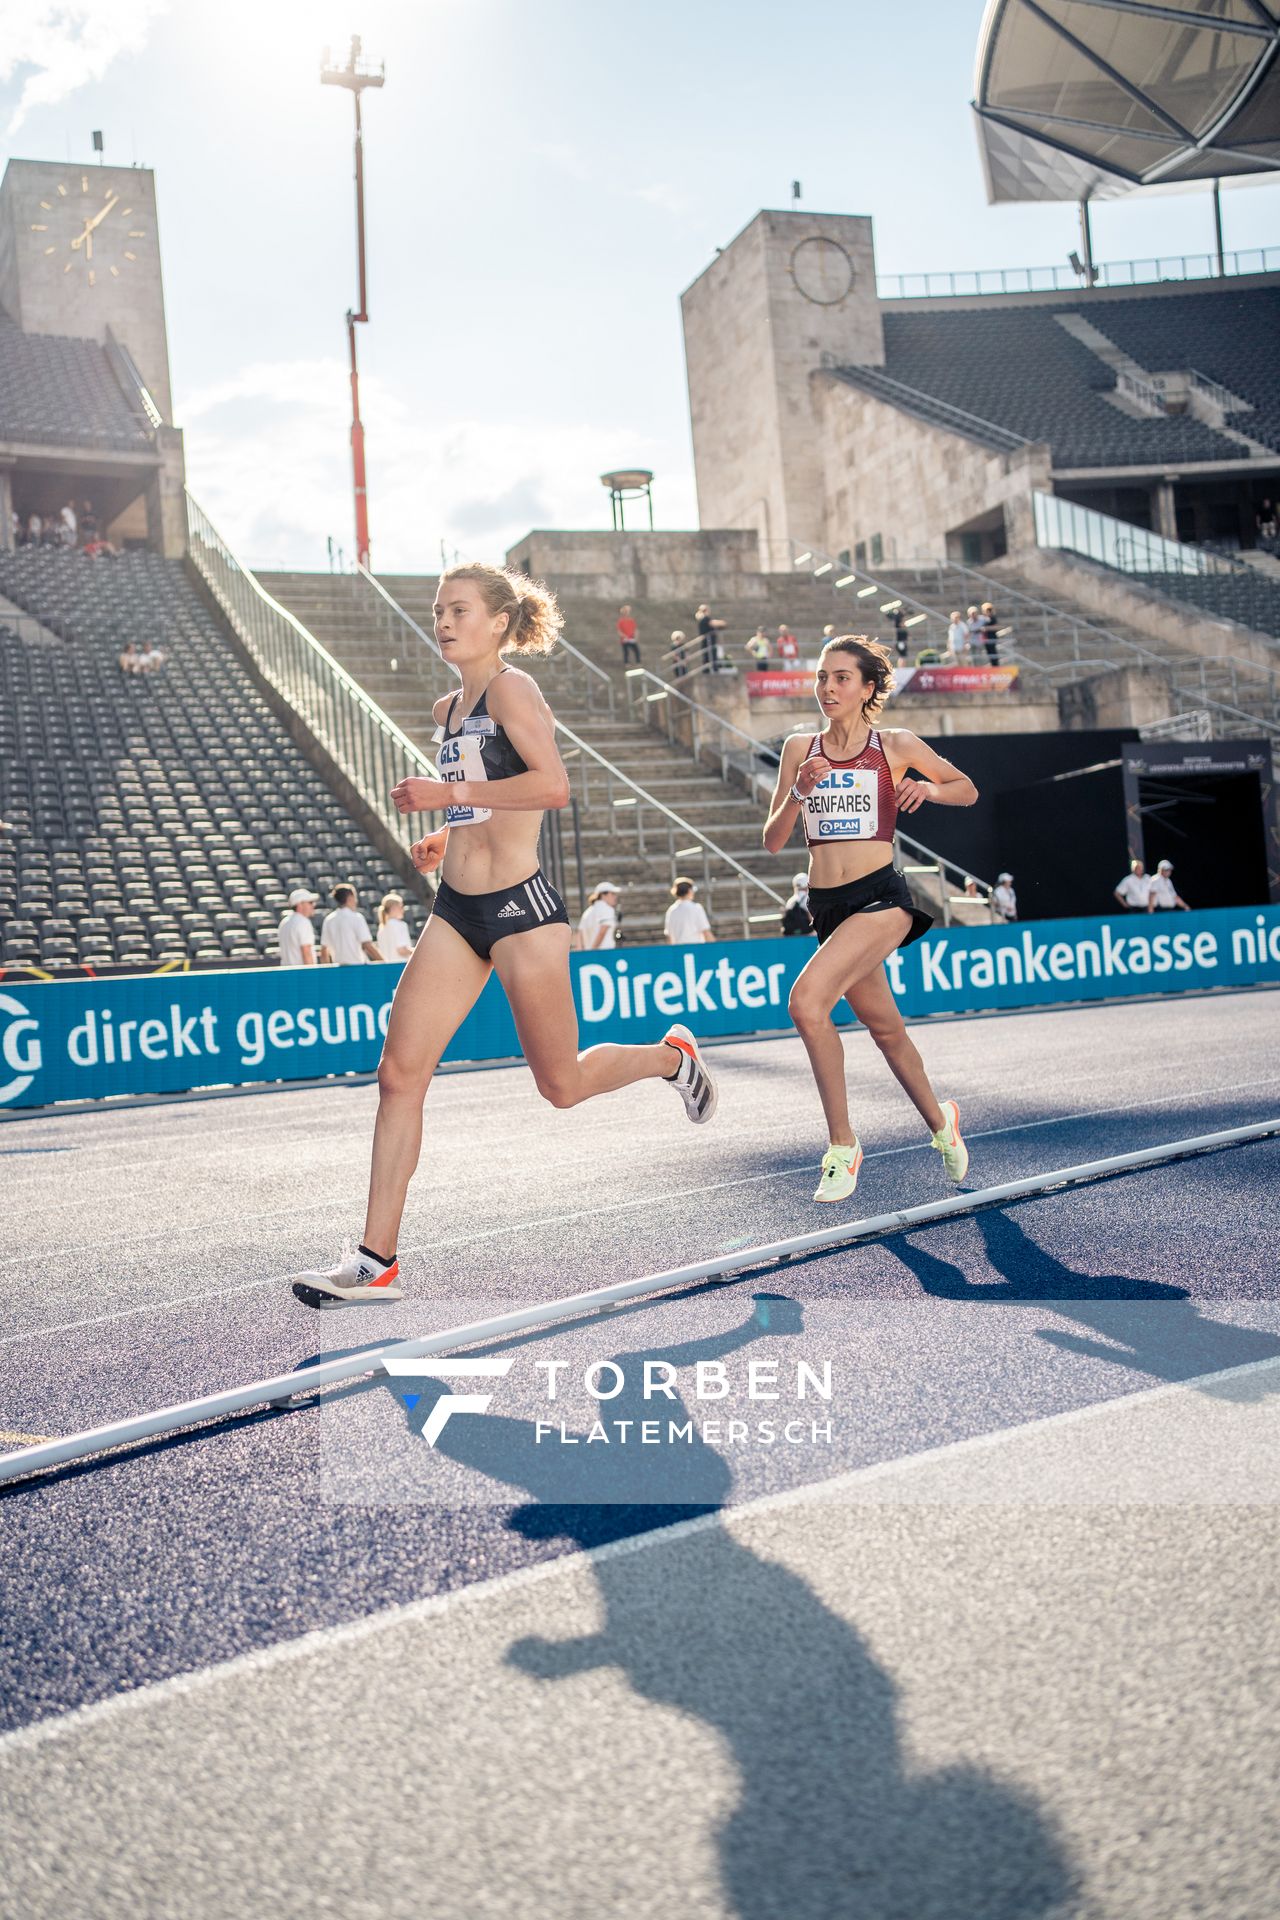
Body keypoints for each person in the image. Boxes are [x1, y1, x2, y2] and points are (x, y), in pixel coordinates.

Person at [288, 563, 717, 1307]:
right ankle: (375, 1259)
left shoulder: (516, 689)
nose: (443, 621)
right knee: (399, 1072)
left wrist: (451, 794)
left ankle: (669, 1058)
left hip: (521, 911)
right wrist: (445, 836)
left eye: (458, 610)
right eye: (437, 610)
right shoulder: (447, 706)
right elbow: (486, 801)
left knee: (561, 1085)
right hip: (457, 909)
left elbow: (552, 786)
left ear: (496, 622)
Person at [763, 633, 977, 1205]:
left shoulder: (895, 744)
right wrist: (799, 795)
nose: (827, 688)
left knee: (806, 1002)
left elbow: (967, 789)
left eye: (841, 678)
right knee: (886, 1030)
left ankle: (841, 1145)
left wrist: (925, 790)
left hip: (882, 899)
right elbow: (773, 840)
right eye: (822, 677)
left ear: (867, 689)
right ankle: (942, 1122)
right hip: (827, 907)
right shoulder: (798, 749)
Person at [319, 884, 384, 965]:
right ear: (350, 898)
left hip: (338, 970)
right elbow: (367, 945)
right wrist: (385, 964)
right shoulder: (356, 917)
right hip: (357, 968)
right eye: (355, 897)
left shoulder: (329, 919)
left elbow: (324, 949)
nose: (356, 901)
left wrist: (327, 973)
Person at [664, 877, 713, 944]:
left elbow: (669, 938)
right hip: (695, 950)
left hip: (679, 951)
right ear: (689, 891)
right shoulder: (696, 908)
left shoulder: (671, 910)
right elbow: (706, 932)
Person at [277, 888, 319, 967]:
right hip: (301, 975)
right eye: (310, 902)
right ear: (300, 904)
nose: (313, 905)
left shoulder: (284, 922)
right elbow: (306, 952)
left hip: (287, 974)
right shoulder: (303, 922)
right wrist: (312, 976)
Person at [578, 880, 621, 951]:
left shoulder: (587, 912)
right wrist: (593, 951)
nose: (615, 897)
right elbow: (602, 932)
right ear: (603, 895)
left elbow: (579, 935)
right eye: (612, 894)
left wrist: (583, 954)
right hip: (604, 955)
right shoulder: (607, 909)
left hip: (589, 956)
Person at [376, 891, 415, 964]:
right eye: (401, 907)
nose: (403, 910)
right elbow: (402, 950)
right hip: (401, 967)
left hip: (387, 969)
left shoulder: (381, 929)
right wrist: (419, 952)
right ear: (394, 908)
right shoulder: (400, 925)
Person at [696, 604, 727, 674]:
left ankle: (707, 670)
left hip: (706, 641)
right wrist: (722, 623)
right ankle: (714, 669)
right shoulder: (705, 618)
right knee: (712, 655)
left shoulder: (701, 618)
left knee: (706, 656)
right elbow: (715, 623)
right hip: (709, 641)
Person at [781, 870, 813, 938]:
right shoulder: (808, 898)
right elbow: (811, 917)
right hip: (808, 935)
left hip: (792, 936)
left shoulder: (790, 901)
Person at [616, 603, 640, 668]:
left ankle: (638, 662)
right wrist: (624, 636)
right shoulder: (620, 621)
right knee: (626, 652)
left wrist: (636, 637)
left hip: (631, 639)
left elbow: (635, 629)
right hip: (625, 640)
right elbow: (619, 631)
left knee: (636, 650)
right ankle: (627, 663)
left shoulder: (631, 620)